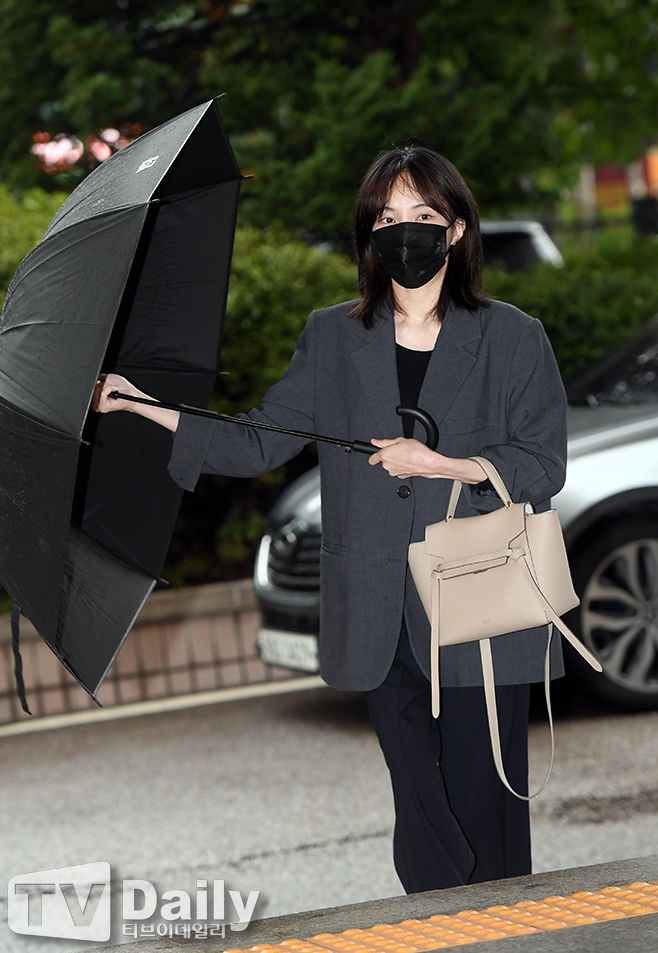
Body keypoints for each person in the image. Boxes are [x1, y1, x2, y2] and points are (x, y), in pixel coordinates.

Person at [94, 144, 567, 894]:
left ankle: (501, 923)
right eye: (387, 217)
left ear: (456, 230)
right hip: (373, 603)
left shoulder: (512, 335)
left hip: (478, 596)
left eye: (422, 215)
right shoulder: (334, 336)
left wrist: (445, 465)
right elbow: (259, 440)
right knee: (418, 794)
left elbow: (543, 463)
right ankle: (445, 923)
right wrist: (142, 406)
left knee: (484, 793)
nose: (403, 231)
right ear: (369, 234)